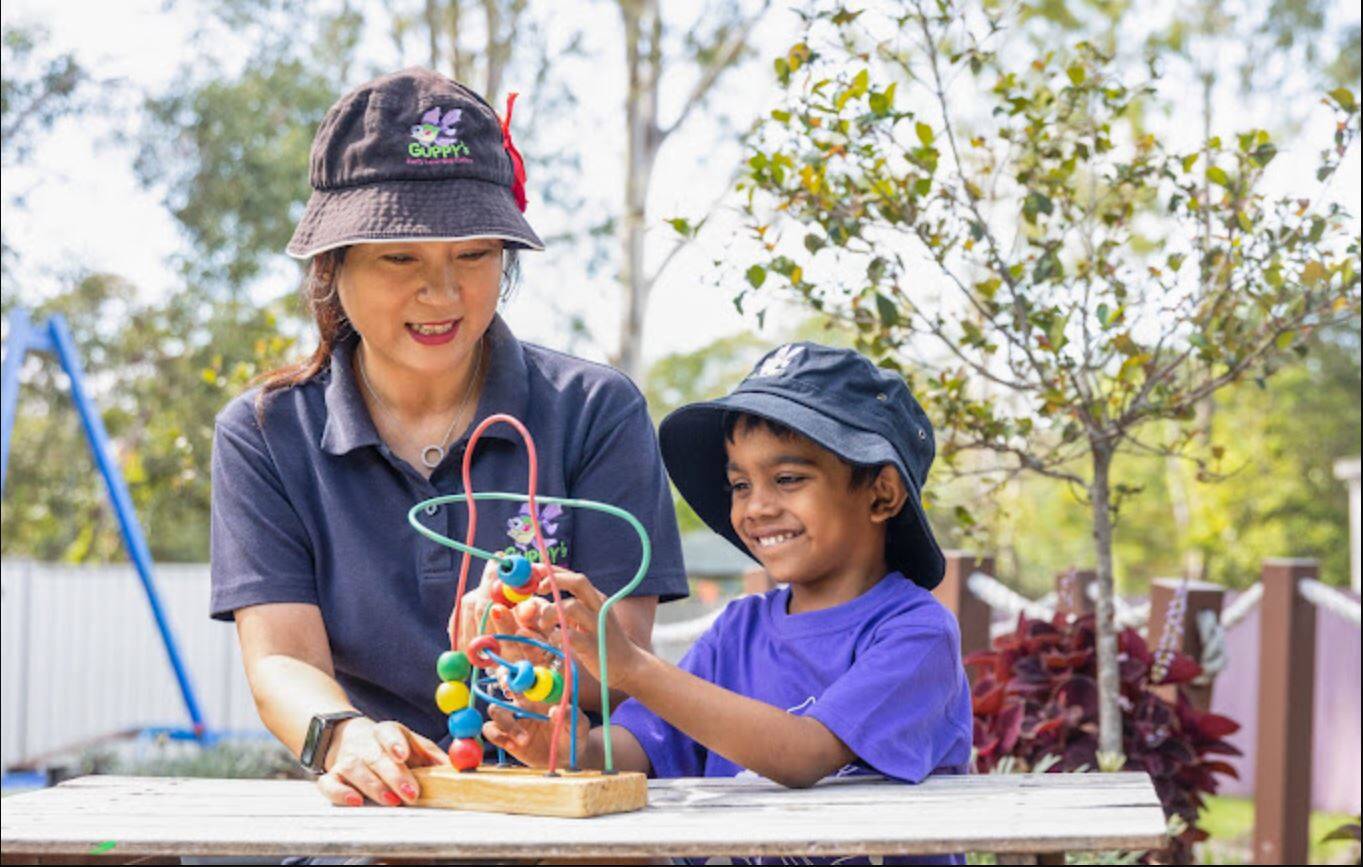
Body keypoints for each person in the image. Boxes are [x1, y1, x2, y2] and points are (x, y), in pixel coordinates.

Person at [209, 67, 688, 811]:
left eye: (473, 256)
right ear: (331, 270)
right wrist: (344, 737)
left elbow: (619, 662)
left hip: (565, 817)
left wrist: (540, 643)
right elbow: (280, 657)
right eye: (400, 259)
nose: (442, 294)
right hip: (376, 810)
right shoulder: (267, 432)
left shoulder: (597, 410)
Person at [485, 342, 972, 865]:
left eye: (787, 479)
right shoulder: (738, 628)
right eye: (740, 484)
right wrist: (567, 747)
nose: (756, 506)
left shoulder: (916, 635)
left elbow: (803, 755)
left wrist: (628, 664)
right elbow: (643, 748)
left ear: (881, 494)